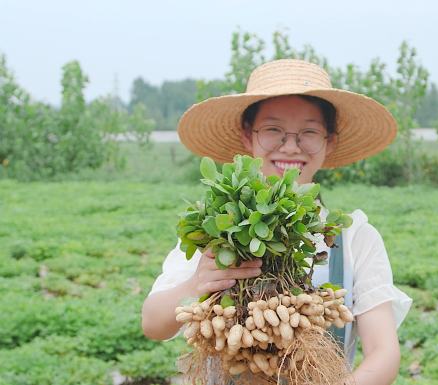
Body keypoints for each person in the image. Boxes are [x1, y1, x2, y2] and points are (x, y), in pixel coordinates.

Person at [141, 59, 412, 385]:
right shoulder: (217, 231)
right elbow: (152, 324)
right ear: (247, 136)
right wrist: (195, 285)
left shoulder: (355, 238)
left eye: (309, 132)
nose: (290, 146)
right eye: (273, 130)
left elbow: (384, 353)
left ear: (330, 141)